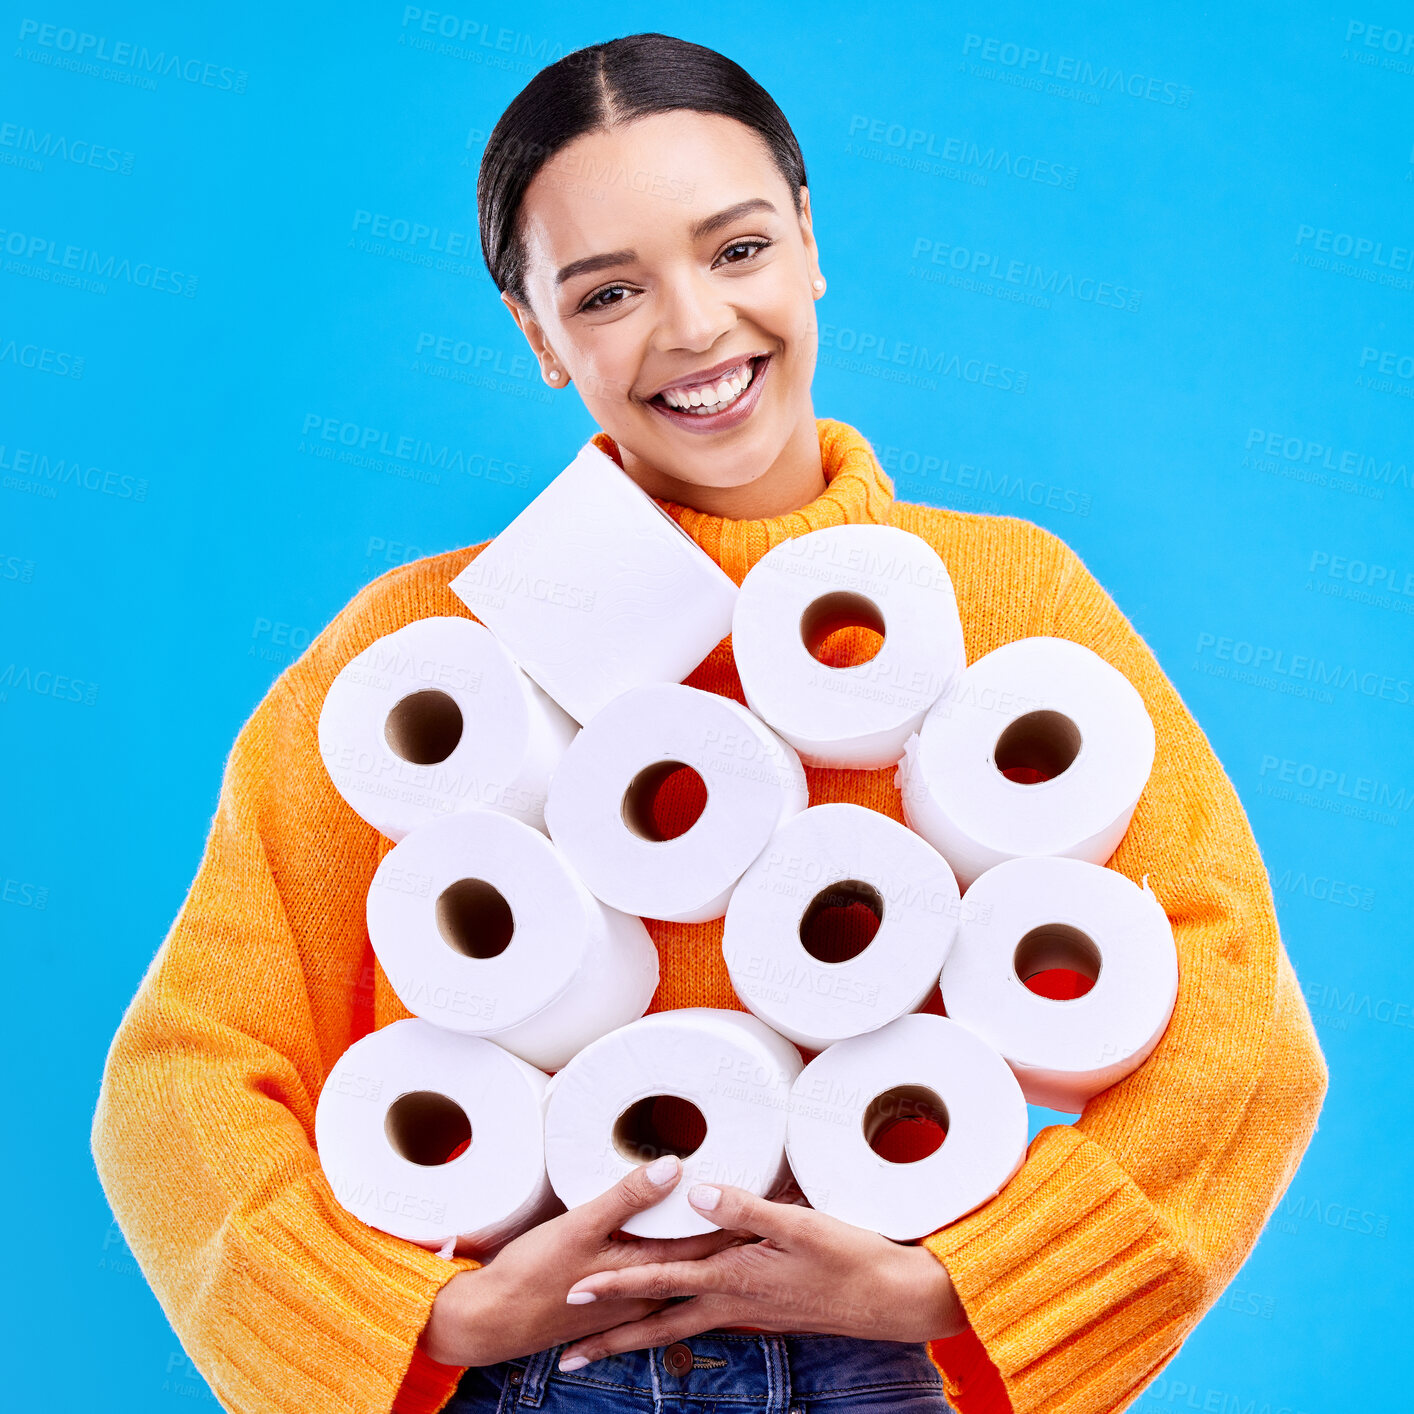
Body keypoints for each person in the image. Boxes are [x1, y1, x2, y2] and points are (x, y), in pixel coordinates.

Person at [92, 31, 1329, 1414]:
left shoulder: (1003, 598)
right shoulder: (425, 650)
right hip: (541, 1378)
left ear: (808, 242)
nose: (690, 328)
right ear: (537, 333)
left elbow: (1234, 1004)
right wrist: (426, 1314)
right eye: (607, 290)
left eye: (734, 250)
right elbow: (185, 1066)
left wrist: (962, 1281)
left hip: (871, 1375)